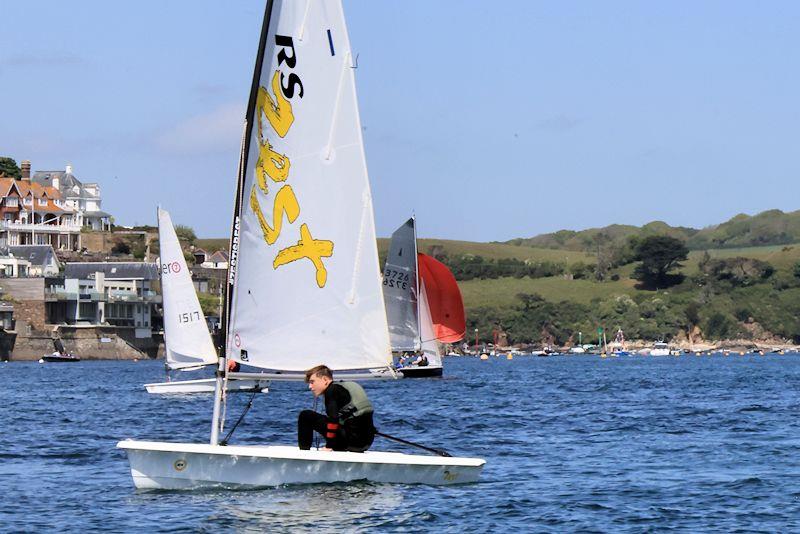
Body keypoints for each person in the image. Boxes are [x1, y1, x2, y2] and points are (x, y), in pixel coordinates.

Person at [297, 364, 376, 452]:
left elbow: (333, 420)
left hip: (350, 442)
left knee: (305, 416)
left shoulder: (331, 391)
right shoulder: (346, 387)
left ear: (325, 380)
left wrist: (329, 446)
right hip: (366, 443)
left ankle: (304, 452)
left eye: (312, 382)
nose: (310, 387)